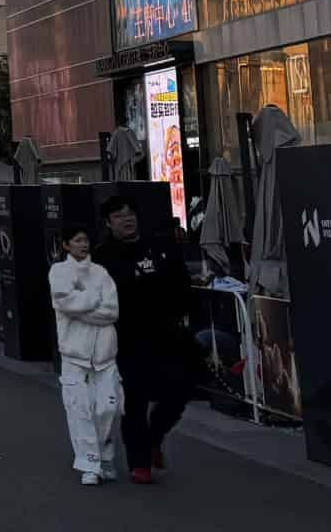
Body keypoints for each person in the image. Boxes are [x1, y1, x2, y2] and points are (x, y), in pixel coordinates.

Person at [100, 196, 193, 482]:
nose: (126, 220)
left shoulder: (160, 247)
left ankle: (154, 437)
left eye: (130, 214)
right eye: (118, 216)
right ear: (108, 223)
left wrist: (183, 314)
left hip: (166, 334)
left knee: (179, 391)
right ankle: (140, 463)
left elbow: (182, 283)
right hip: (126, 338)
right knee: (135, 401)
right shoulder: (102, 257)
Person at [51, 224, 123, 485]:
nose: (83, 244)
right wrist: (92, 301)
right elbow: (64, 302)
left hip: (105, 354)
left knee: (109, 408)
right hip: (74, 354)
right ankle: (90, 463)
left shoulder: (101, 273)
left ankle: (106, 454)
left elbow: (111, 311)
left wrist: (83, 304)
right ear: (66, 245)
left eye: (85, 240)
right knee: (79, 409)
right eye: (77, 240)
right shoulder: (58, 272)